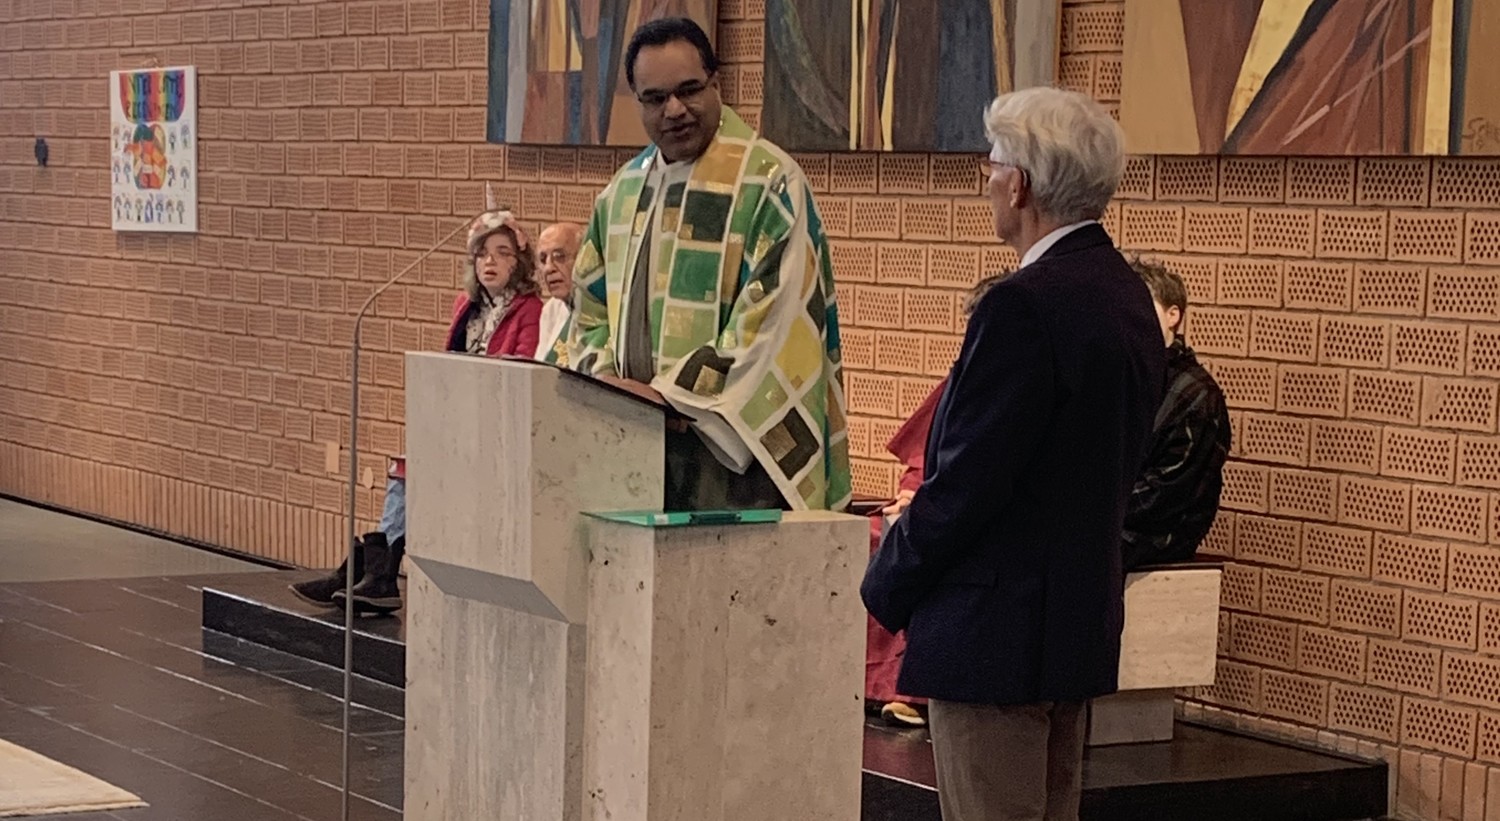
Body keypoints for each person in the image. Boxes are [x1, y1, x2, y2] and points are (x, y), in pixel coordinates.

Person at [860, 88, 1166, 821]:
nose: (987, 180)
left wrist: (884, 583)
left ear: (1021, 184)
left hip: (993, 637)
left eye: (992, 165)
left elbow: (967, 481)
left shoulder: (1022, 305)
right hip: (1073, 626)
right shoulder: (1126, 293)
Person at [567, 17, 850, 512]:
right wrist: (609, 386)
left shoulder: (768, 182)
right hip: (632, 440)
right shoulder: (622, 191)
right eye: (655, 98)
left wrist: (670, 398)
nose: (674, 110)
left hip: (730, 454)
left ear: (716, 84)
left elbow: (775, 319)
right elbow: (588, 310)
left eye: (689, 90)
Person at [289, 211, 544, 614]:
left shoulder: (531, 309)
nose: (490, 262)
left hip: (497, 427)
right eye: (482, 254)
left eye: (502, 253)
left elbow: (522, 367)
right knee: (405, 466)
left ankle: (377, 571)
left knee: (419, 466)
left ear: (520, 262)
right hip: (458, 419)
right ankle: (372, 570)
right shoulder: (467, 305)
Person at [867, 274, 1006, 728]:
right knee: (869, 537)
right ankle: (867, 682)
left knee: (920, 548)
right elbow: (923, 458)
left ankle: (910, 688)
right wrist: (910, 494)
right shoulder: (960, 378)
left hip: (971, 521)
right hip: (933, 504)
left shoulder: (1010, 384)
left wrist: (923, 505)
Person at [1120, 259, 1231, 571]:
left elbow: (1164, 492)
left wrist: (1088, 510)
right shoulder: (1123, 376)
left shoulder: (1195, 394)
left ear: (1173, 315)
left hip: (1156, 536)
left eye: (1144, 306)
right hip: (1113, 523)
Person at [534, 222, 584, 365]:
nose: (548, 268)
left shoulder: (602, 310)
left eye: (559, 256)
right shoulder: (551, 310)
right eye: (543, 259)